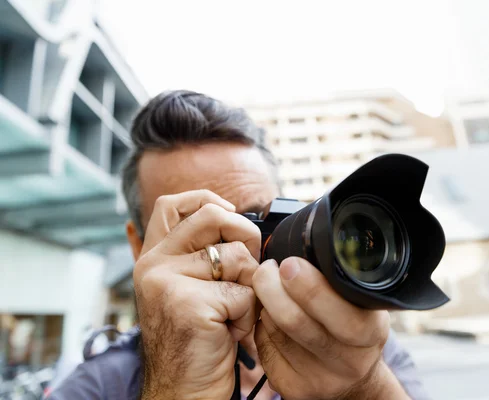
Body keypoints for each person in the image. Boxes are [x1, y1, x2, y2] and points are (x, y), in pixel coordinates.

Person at [46, 90, 431, 400]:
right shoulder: (95, 387)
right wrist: (175, 389)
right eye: (198, 229)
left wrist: (363, 388)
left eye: (259, 218)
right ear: (138, 246)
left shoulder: (353, 345)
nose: (238, 250)